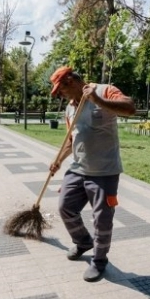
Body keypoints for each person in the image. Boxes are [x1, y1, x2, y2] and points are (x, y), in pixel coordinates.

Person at [48, 66, 136, 282]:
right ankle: (83, 241)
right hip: (78, 169)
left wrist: (97, 100)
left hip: (104, 171)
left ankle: (99, 261)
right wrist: (57, 161)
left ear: (72, 80)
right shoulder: (70, 108)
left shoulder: (105, 91)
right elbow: (72, 139)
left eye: (62, 89)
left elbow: (130, 107)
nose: (61, 94)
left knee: (102, 220)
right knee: (65, 207)